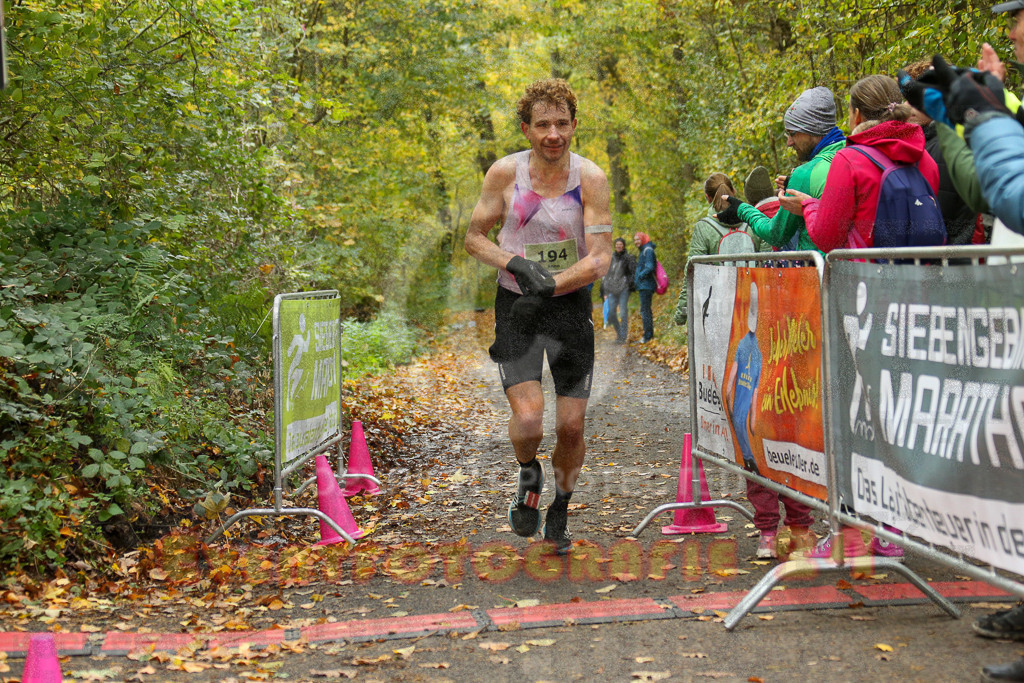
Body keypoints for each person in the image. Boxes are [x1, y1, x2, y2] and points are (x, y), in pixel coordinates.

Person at [464, 78, 613, 555]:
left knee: (571, 427)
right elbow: (474, 238)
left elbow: (601, 257)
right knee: (529, 419)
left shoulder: (590, 178)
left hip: (569, 306)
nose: (554, 134)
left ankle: (561, 507)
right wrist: (517, 264)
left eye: (562, 124)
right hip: (517, 306)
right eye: (543, 124)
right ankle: (529, 474)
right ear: (526, 129)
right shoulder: (504, 175)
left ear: (574, 126)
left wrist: (551, 282)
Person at [779, 75, 941, 253]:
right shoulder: (925, 159)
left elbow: (827, 239)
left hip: (866, 274)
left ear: (856, 115)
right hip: (917, 272)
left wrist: (809, 206)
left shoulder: (849, 160)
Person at [719, 280, 815, 559]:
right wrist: (751, 420)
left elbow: (731, 386)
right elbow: (754, 390)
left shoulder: (750, 343)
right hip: (769, 422)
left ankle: (772, 535)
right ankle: (793, 532)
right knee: (789, 471)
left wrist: (740, 420)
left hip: (754, 427)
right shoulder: (765, 345)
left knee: (765, 474)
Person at [721, 87, 846, 253]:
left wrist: (742, 209)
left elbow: (776, 234)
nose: (789, 142)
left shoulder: (805, 174)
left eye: (792, 133)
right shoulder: (855, 154)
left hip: (821, 272)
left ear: (812, 130)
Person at [898, 59, 978, 246]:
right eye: (907, 98)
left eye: (917, 99)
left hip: (949, 261)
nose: (908, 106)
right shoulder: (927, 142)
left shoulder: (944, 146)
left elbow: (938, 213)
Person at [673, 173, 770, 327]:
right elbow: (767, 264)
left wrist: (682, 313)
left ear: (708, 197)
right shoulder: (754, 220)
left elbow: (692, 271)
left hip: (719, 309)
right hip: (753, 304)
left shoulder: (704, 228)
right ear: (734, 191)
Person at [600, 237, 636, 343]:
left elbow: (633, 273)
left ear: (623, 246)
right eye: (617, 245)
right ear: (615, 246)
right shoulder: (611, 258)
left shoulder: (629, 258)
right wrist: (605, 292)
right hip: (612, 289)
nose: (618, 246)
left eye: (620, 244)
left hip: (624, 289)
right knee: (611, 313)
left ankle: (623, 336)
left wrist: (628, 283)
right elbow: (606, 275)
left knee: (623, 312)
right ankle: (619, 333)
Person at [633, 232, 657, 343]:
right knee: (645, 310)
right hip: (644, 285)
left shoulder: (648, 250)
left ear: (643, 239)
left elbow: (650, 267)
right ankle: (648, 335)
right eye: (635, 240)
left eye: (638, 239)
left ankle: (648, 336)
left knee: (645, 311)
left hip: (646, 285)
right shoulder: (644, 250)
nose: (636, 242)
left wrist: (640, 277)